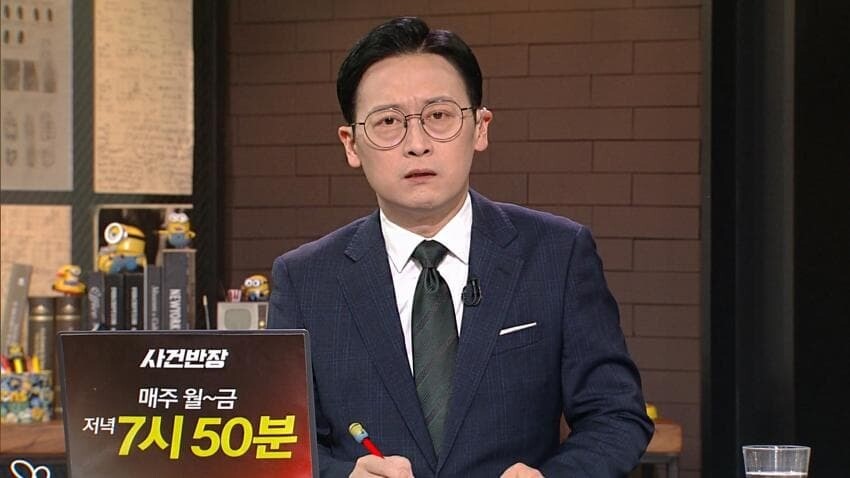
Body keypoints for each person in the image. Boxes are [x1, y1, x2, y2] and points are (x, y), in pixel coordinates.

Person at [268, 16, 653, 478]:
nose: (417, 144)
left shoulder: (558, 253)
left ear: (480, 127)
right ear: (351, 144)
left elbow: (616, 415)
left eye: (439, 116)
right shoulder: (305, 279)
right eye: (388, 121)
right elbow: (280, 440)